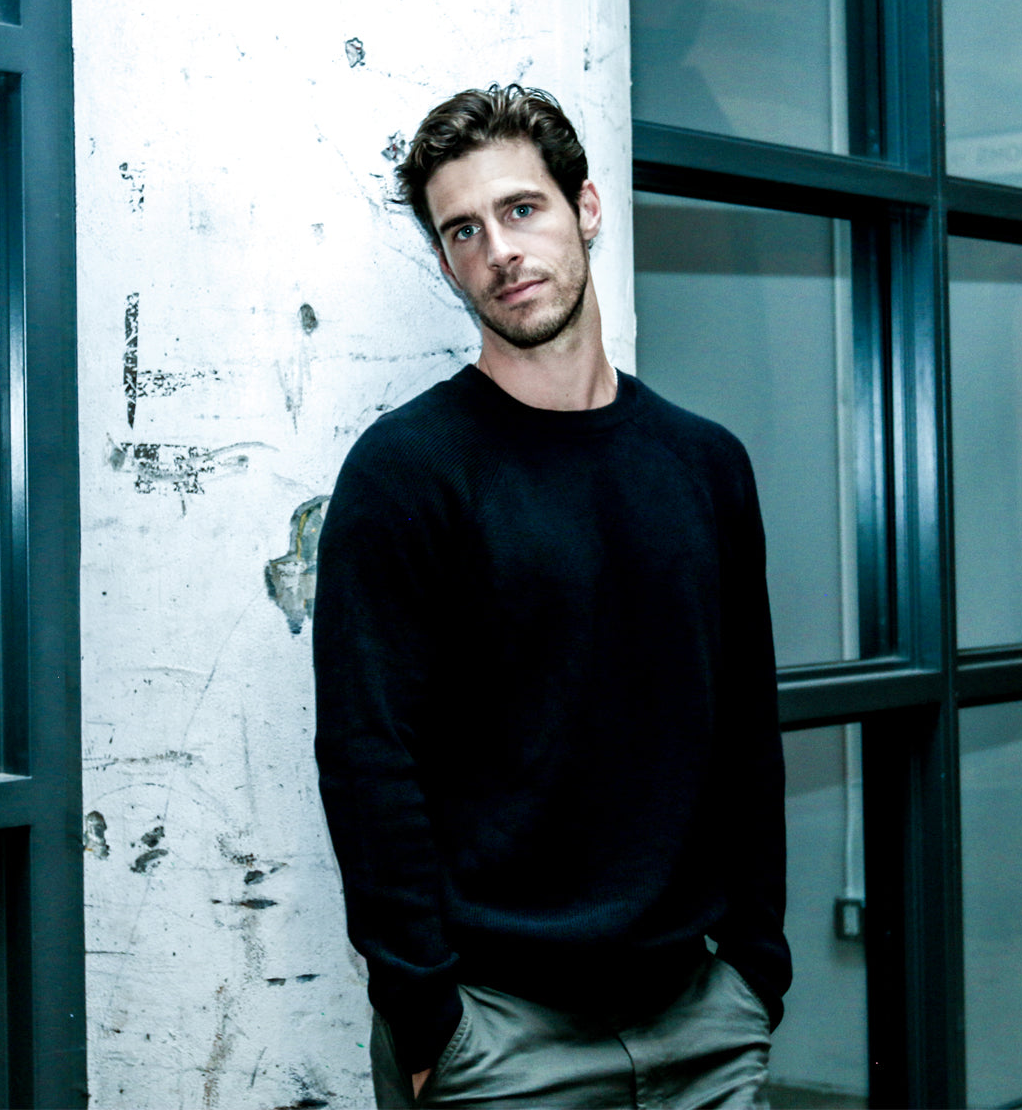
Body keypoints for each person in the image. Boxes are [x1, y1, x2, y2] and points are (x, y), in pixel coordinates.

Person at [313, 84, 789, 1108]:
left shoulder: (705, 465)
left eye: (520, 209)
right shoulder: (406, 473)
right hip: (500, 1036)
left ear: (585, 207)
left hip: (703, 1014)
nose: (498, 251)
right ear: (446, 262)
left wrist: (754, 964)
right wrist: (428, 1014)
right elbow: (366, 756)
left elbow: (746, 727)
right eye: (463, 230)